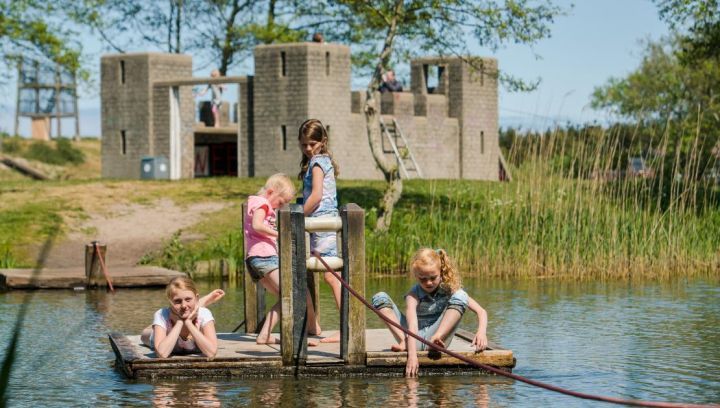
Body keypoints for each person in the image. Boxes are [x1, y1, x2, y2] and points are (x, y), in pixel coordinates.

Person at [371, 248, 489, 377]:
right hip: (412, 336)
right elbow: (412, 325)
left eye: (433, 278)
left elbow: (481, 311)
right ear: (416, 276)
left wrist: (481, 332)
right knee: (379, 297)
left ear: (441, 272)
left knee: (461, 295)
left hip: (438, 339)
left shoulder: (449, 288)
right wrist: (412, 356)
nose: (428, 282)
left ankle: (436, 339)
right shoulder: (413, 295)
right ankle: (404, 342)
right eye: (423, 279)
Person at [244, 173, 321, 345]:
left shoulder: (256, 202)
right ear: (271, 192)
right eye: (280, 202)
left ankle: (265, 335)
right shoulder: (263, 204)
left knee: (286, 296)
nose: (280, 207)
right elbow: (257, 225)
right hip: (264, 258)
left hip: (255, 259)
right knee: (294, 293)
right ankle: (301, 335)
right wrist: (280, 234)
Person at [298, 119, 342, 343]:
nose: (308, 148)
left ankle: (346, 326)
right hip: (320, 223)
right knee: (328, 274)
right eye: (304, 144)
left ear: (323, 141)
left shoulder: (317, 163)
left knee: (332, 276)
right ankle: (314, 325)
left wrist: (297, 217)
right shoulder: (319, 161)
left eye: (312, 143)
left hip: (322, 222)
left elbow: (316, 196)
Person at [140, 277, 221, 358]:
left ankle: (199, 304)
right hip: (156, 334)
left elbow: (211, 353)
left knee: (189, 310)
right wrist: (179, 322)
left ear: (196, 298)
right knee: (144, 334)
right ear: (170, 302)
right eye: (177, 301)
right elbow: (162, 354)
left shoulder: (204, 314)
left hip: (190, 314)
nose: (183, 305)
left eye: (188, 299)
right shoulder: (161, 314)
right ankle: (155, 325)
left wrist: (188, 323)